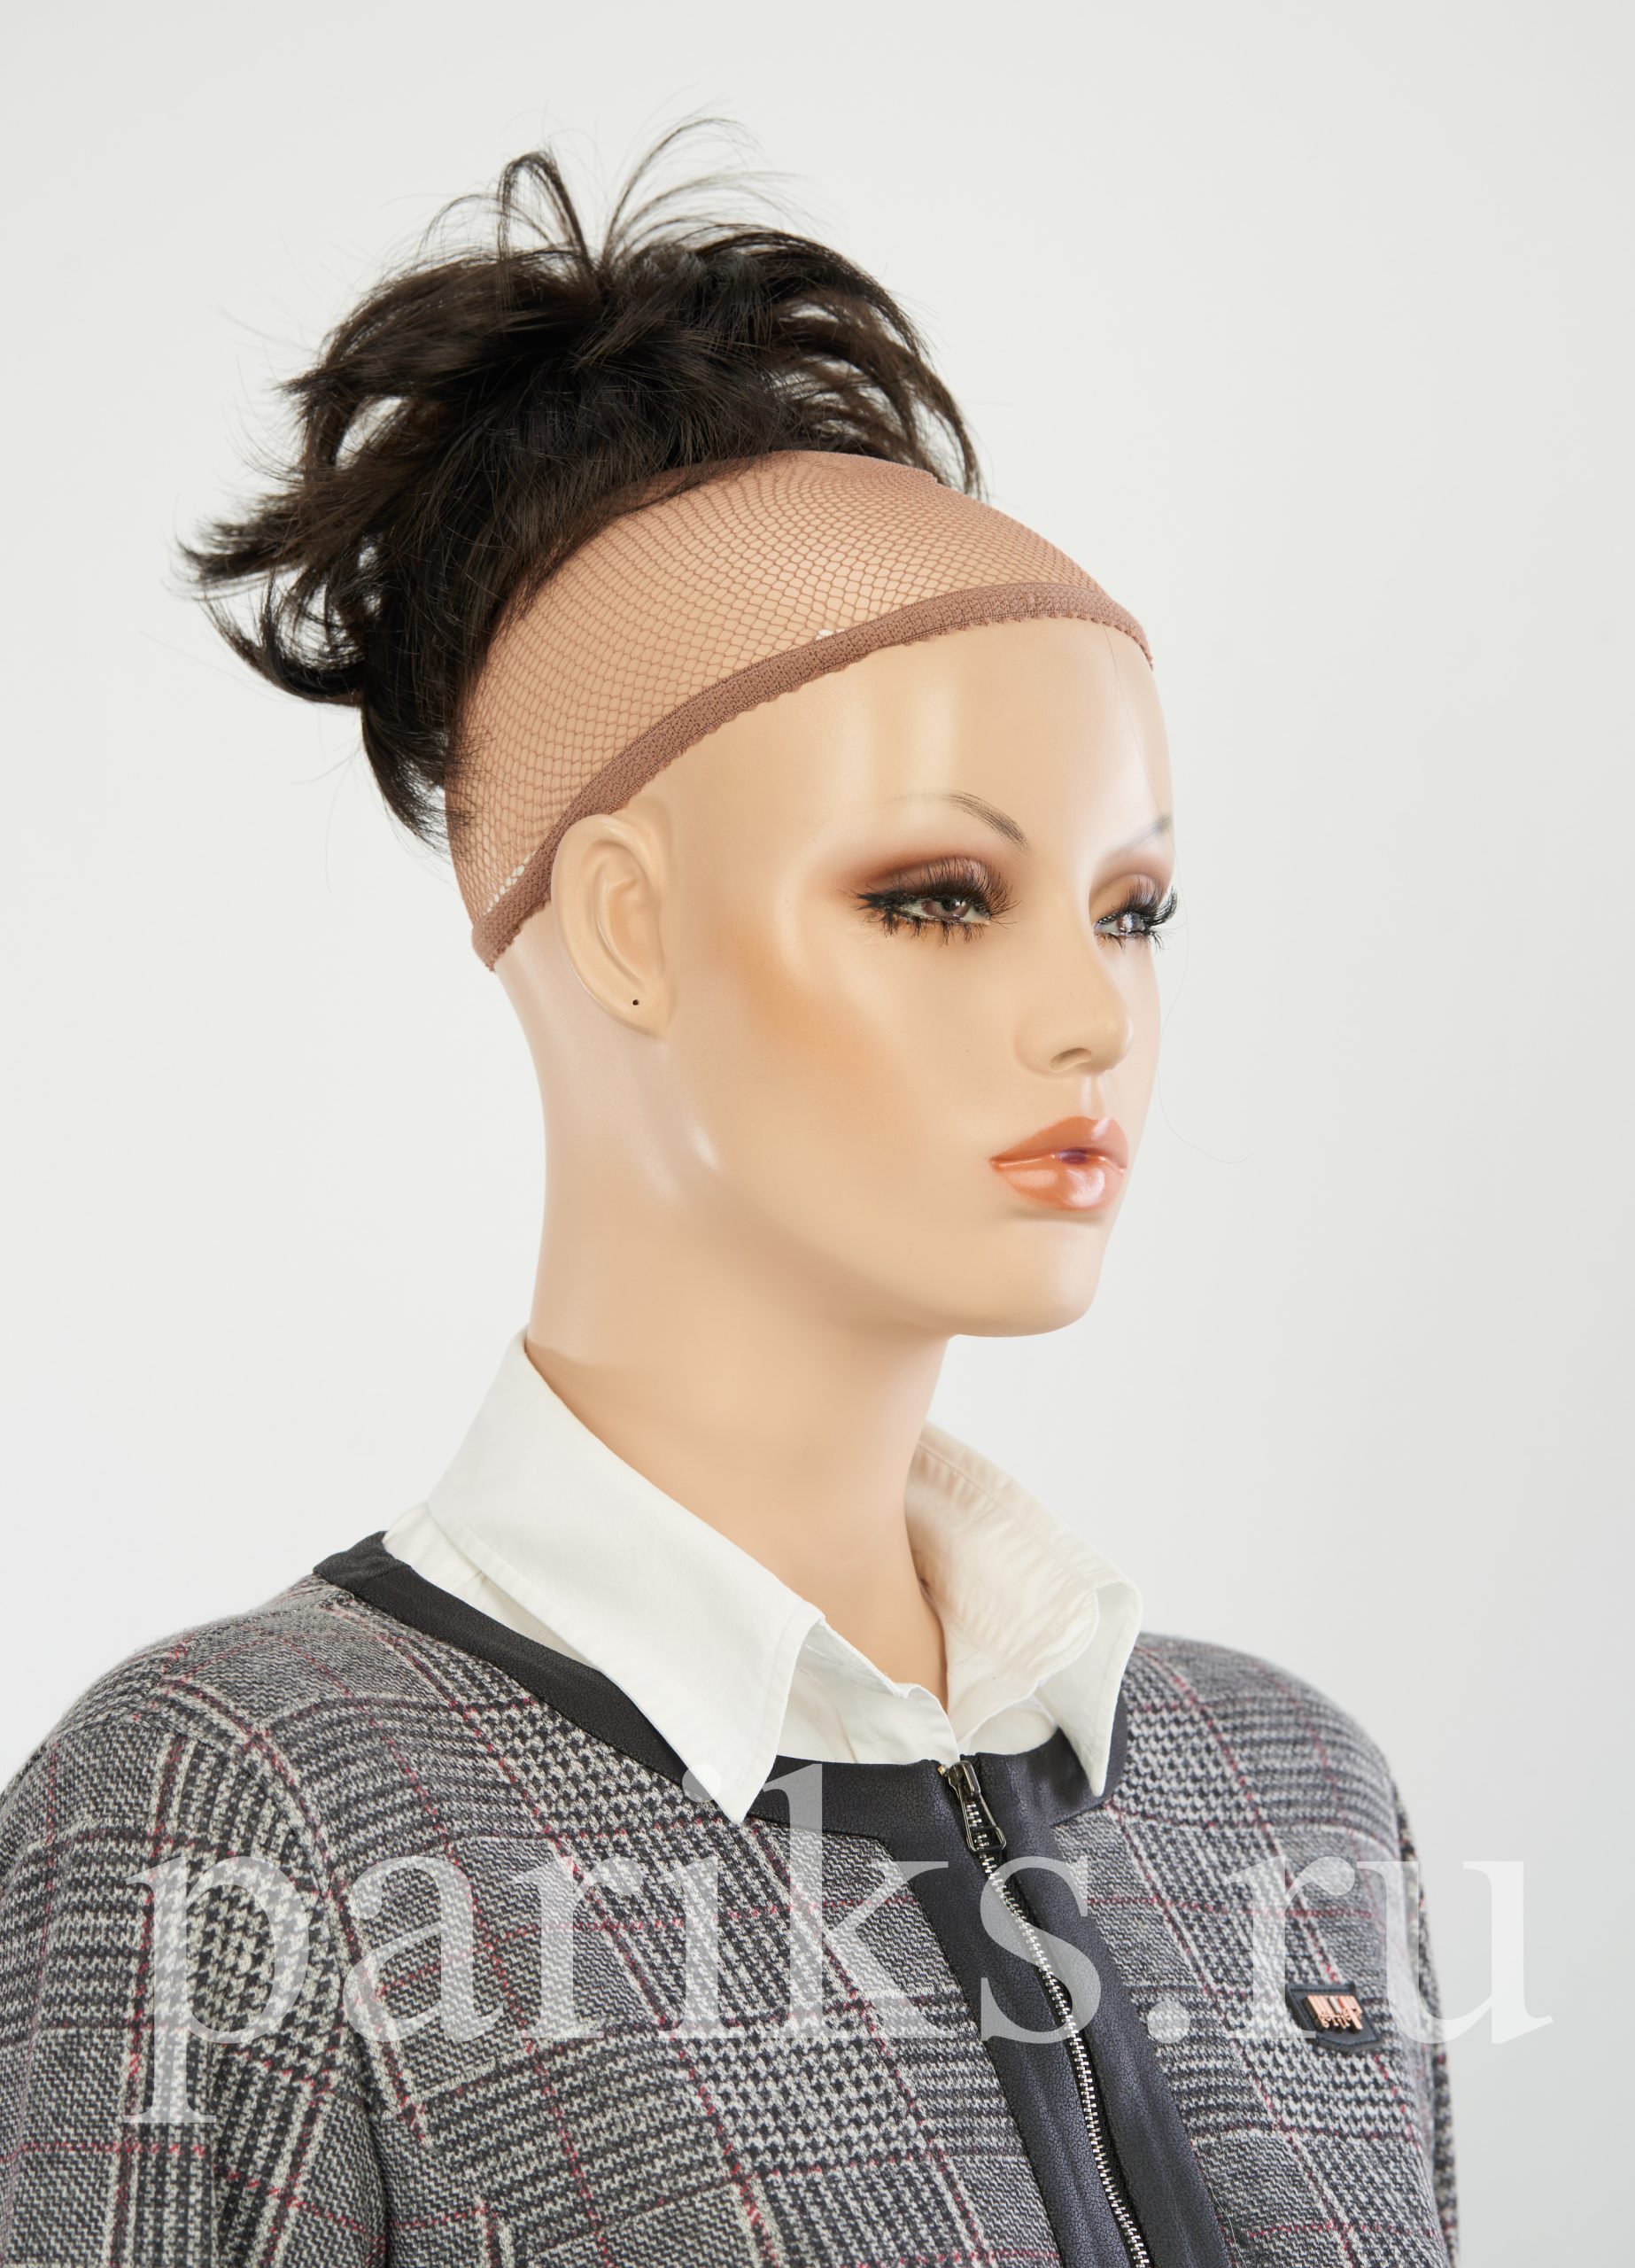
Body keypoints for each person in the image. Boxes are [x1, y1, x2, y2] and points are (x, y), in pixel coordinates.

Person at [0, 130, 1458, 2265]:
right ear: (624, 921)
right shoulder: (245, 1802)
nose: (1091, 1014)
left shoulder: (1285, 1791)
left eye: (1134, 907)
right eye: (936, 893)